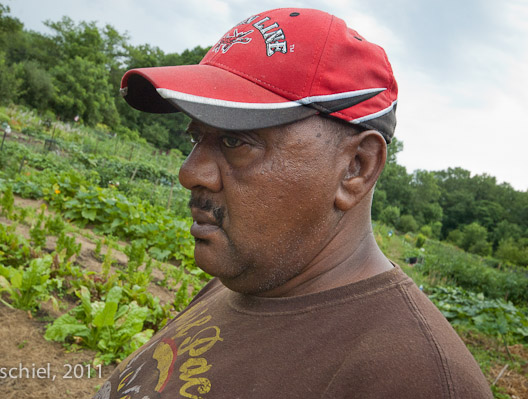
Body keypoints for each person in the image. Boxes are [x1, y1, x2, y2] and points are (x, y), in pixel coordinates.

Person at [95, 8, 492, 399]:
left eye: (236, 141)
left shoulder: (417, 381)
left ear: (356, 168)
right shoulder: (247, 280)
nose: (190, 173)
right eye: (196, 137)